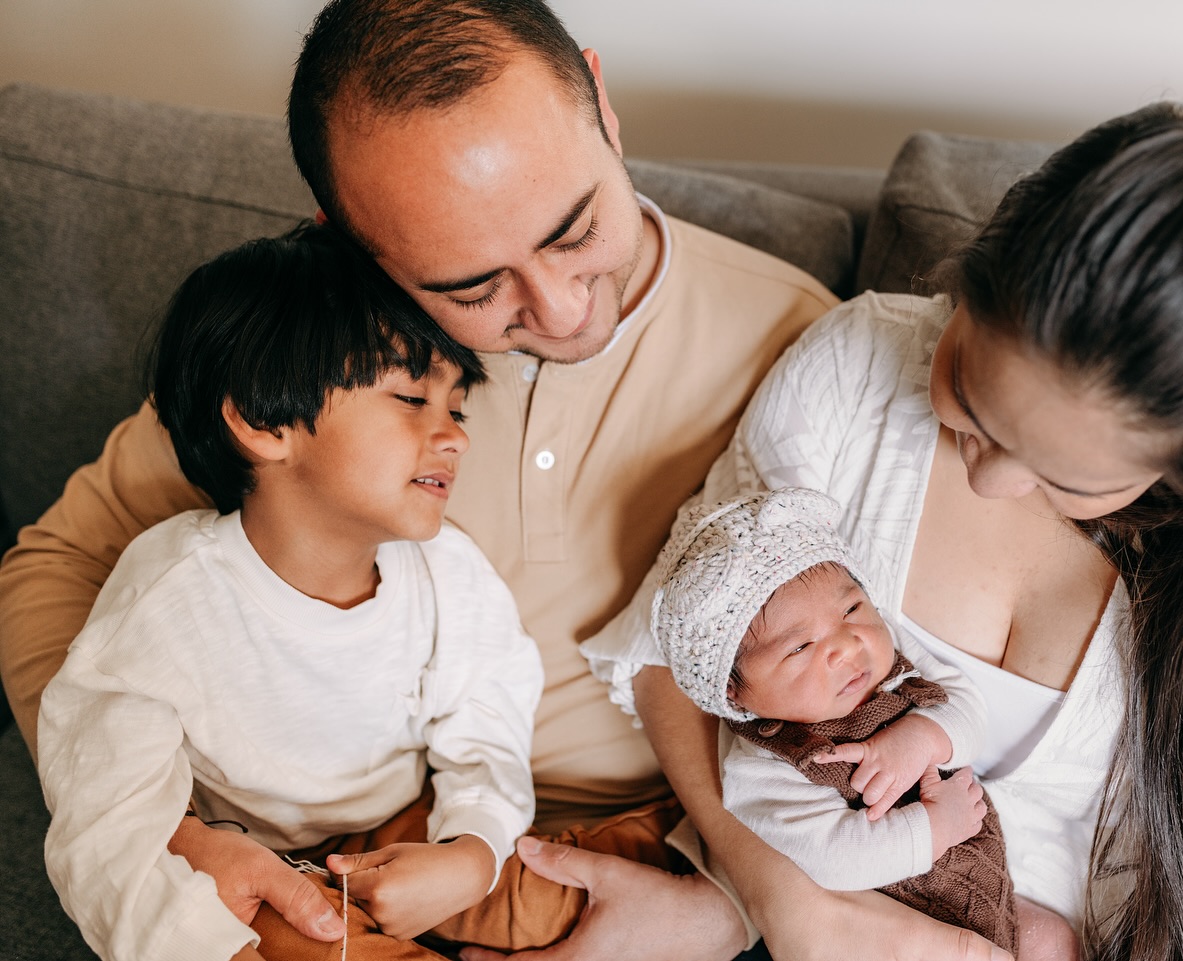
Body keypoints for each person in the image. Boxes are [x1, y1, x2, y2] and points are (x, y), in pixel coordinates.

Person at [0, 1, 971, 960]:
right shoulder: (325, 356)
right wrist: (163, 825)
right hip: (330, 855)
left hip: (629, 852)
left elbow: (879, 672)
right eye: (472, 287)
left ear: (599, 99)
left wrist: (724, 901)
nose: (555, 308)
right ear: (344, 234)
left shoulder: (805, 353)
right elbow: (58, 563)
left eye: (575, 227)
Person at [584, 103, 1183, 960]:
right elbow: (669, 644)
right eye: (970, 399)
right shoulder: (857, 370)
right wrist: (791, 907)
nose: (990, 479)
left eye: (1068, 479)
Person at [38, 222, 679, 961]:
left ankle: (698, 844)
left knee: (555, 901)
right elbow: (107, 816)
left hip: (411, 826)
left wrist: (470, 851)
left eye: (457, 406)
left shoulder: (446, 571)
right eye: (411, 397)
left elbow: (487, 722)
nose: (456, 436)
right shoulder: (168, 597)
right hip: (257, 868)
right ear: (264, 421)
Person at [648, 485, 1031, 956]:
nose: (848, 645)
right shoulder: (767, 768)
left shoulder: (899, 667)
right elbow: (833, 856)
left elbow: (967, 706)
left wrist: (923, 736)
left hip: (994, 887)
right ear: (735, 693)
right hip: (895, 923)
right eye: (800, 647)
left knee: (1053, 941)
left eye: (851, 609)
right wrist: (934, 827)